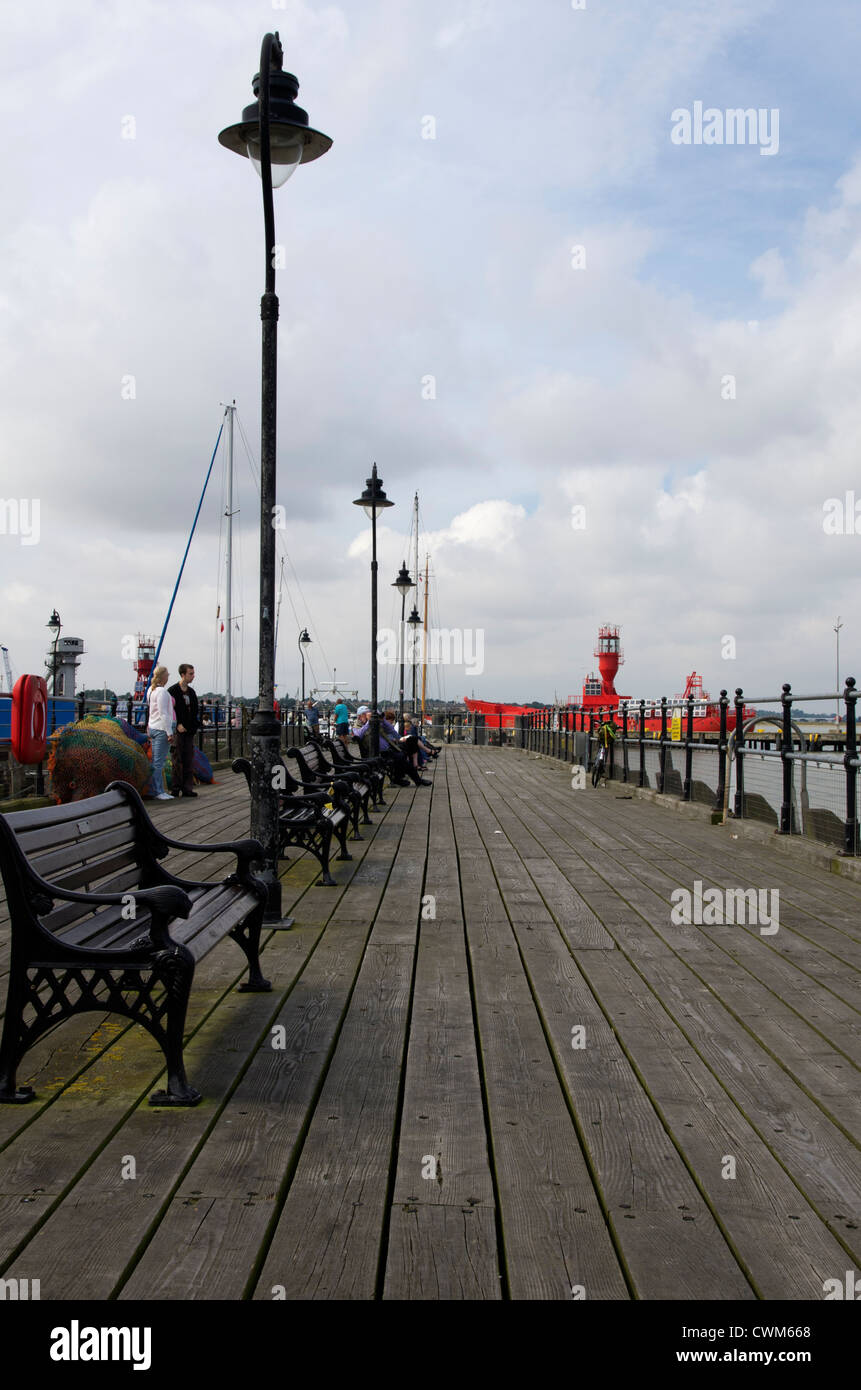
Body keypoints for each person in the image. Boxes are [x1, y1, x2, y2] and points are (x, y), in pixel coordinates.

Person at [352, 707, 430, 786]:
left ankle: (406, 779)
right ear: (359, 716)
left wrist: (383, 720)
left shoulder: (376, 723)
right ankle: (405, 779)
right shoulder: (357, 726)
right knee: (400, 757)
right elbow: (359, 734)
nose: (369, 716)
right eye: (365, 715)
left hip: (386, 749)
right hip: (375, 753)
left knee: (405, 750)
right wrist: (369, 722)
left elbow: (391, 729)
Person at [168, 662, 199, 798]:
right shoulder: (173, 691)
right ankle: (175, 788)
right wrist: (177, 724)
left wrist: (192, 727)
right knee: (176, 758)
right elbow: (170, 710)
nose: (193, 676)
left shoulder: (192, 692)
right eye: (190, 673)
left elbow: (195, 711)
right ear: (183, 674)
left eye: (193, 673)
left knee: (188, 759)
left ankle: (187, 788)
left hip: (189, 731)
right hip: (178, 730)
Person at [146, 665, 175, 801]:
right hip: (161, 729)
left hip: (153, 727)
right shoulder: (162, 692)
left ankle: (155, 789)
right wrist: (169, 732)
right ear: (163, 676)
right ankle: (158, 791)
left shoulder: (151, 691)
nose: (168, 676)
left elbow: (152, 711)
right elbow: (164, 713)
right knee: (159, 762)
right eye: (167, 674)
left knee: (155, 761)